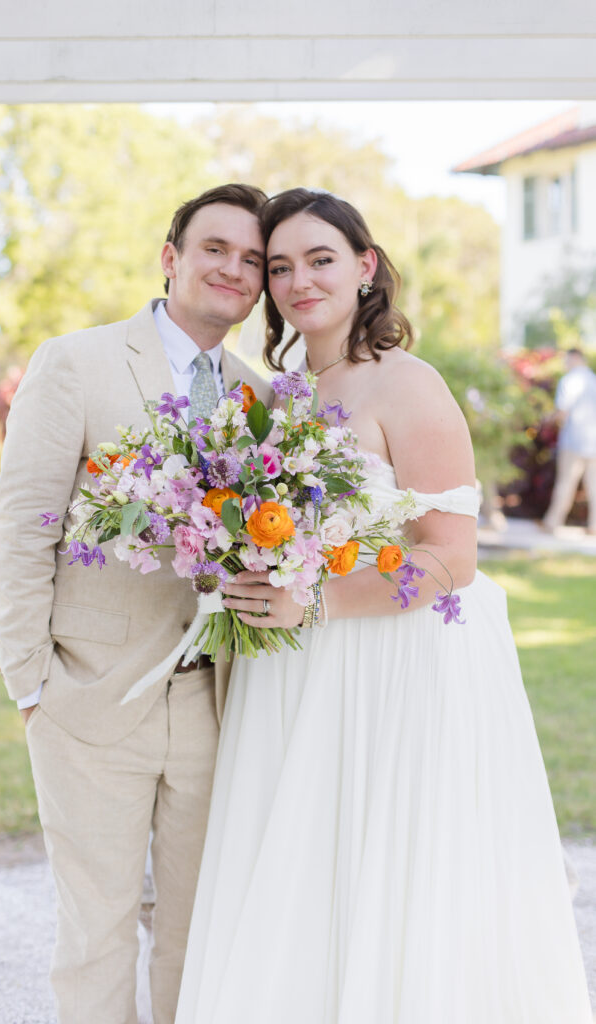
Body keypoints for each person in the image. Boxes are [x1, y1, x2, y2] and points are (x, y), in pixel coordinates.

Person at [175, 188, 593, 1023]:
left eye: (320, 259)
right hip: (294, 668)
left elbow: (451, 558)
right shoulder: (281, 393)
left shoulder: (407, 384)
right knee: (303, 869)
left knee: (391, 874)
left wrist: (317, 602)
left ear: (365, 267)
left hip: (394, 660)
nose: (299, 281)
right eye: (281, 266)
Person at [0, 183, 272, 1024]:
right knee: (97, 933)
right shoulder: (76, 361)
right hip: (89, 697)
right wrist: (31, 684)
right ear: (171, 257)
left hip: (217, 705)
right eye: (214, 248)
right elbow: (23, 524)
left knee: (197, 931)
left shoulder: (257, 398)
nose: (232, 268)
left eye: (251, 259)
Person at [543, 347, 596, 534]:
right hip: (593, 441)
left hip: (574, 441)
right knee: (594, 485)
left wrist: (549, 419)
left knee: (565, 483)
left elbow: (562, 412)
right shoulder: (593, 379)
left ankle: (552, 523)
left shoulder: (569, 380)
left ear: (574, 358)